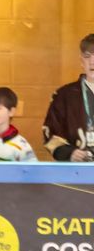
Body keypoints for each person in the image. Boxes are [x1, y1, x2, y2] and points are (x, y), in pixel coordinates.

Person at [41, 34, 94, 162]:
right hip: (77, 171)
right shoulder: (64, 95)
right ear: (81, 61)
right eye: (87, 56)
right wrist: (70, 153)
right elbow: (51, 132)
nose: (92, 62)